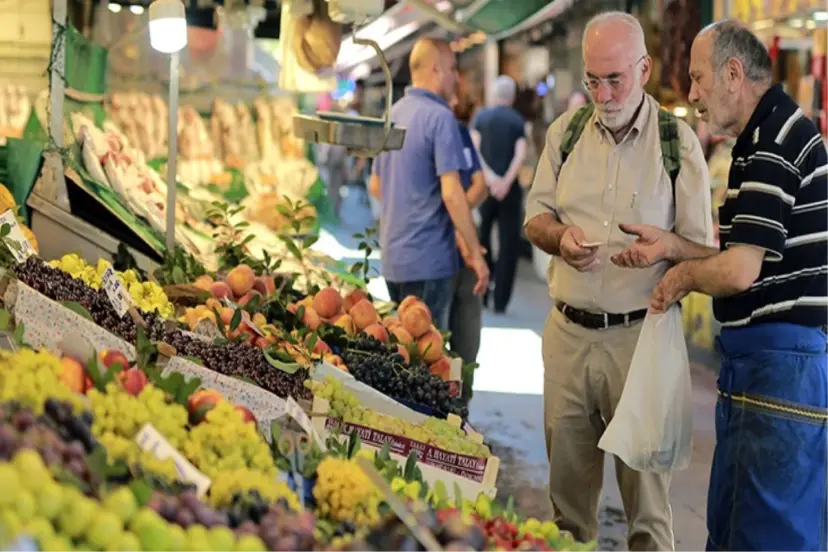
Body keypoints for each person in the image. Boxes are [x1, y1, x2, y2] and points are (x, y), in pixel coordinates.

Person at [615, 20, 828, 551]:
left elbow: (738, 273)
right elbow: (747, 258)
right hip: (766, 369)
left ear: (733, 74)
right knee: (735, 528)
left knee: (762, 535)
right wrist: (672, 247)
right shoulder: (764, 135)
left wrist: (681, 278)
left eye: (698, 78)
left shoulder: (774, 141)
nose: (692, 94)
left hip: (779, 371)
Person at [523, 12, 714, 550]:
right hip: (568, 339)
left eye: (615, 79)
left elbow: (703, 252)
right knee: (567, 514)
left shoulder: (677, 145)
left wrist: (665, 248)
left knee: (647, 517)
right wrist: (559, 237)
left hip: (640, 342)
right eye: (593, 80)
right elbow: (535, 219)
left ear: (644, 69)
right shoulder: (565, 134)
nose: (603, 95)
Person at [369, 38, 489, 329]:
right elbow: (452, 194)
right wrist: (475, 254)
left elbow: (376, 185)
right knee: (427, 351)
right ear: (436, 70)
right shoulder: (440, 117)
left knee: (401, 347)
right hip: (429, 263)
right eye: (452, 69)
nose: (456, 78)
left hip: (393, 260)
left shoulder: (393, 114)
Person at [472, 76, 528, 313]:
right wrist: (506, 181)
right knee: (508, 244)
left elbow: (474, 149)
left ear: (494, 94)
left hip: (484, 189)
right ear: (512, 97)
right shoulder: (518, 120)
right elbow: (520, 154)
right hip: (510, 191)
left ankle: (483, 292)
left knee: (482, 239)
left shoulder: (481, 117)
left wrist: (490, 177)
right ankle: (501, 300)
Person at [448, 89, 488, 364]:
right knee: (465, 338)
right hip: (459, 237)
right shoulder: (458, 133)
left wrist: (453, 212)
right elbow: (479, 186)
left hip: (442, 240)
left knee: (430, 341)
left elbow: (377, 186)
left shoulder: (459, 134)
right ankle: (461, 385)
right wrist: (460, 213)